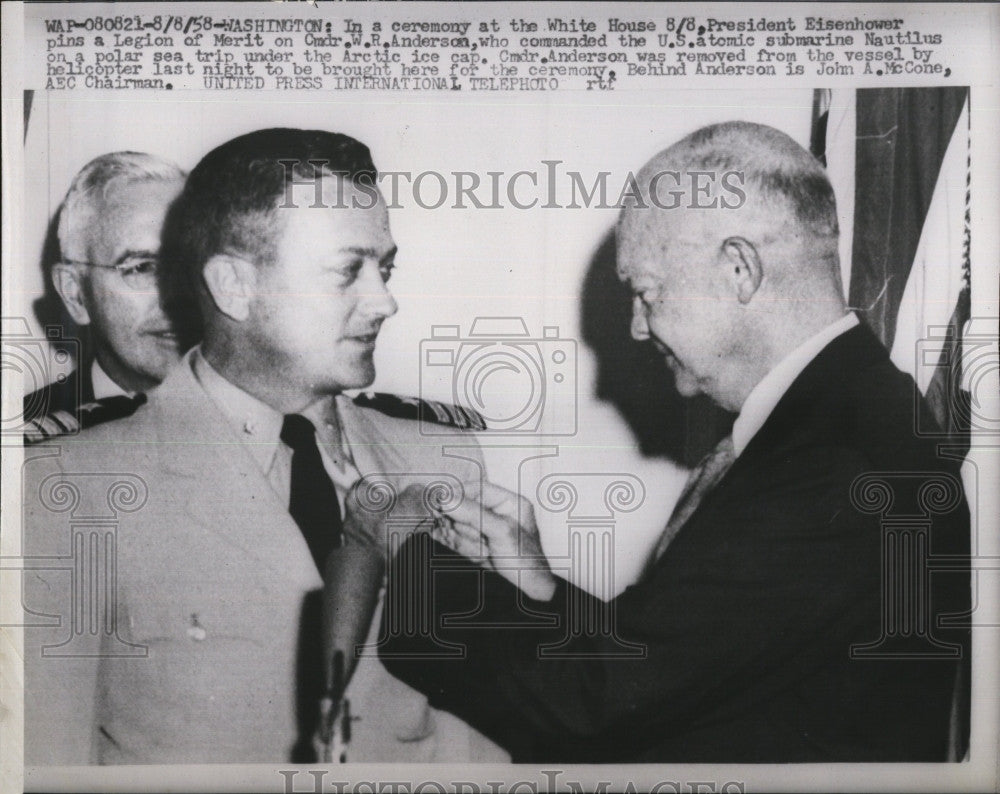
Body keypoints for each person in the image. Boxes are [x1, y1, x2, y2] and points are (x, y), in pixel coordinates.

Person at [378, 122, 972, 762]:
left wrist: (404, 560)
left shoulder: (832, 461)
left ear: (741, 269)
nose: (636, 327)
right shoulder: (847, 413)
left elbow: (596, 706)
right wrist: (539, 586)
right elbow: (678, 663)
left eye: (646, 292)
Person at [22, 128, 506, 764]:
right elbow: (48, 757)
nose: (386, 301)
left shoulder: (443, 460)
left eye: (384, 269)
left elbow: (481, 736)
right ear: (232, 287)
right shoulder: (70, 486)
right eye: (347, 271)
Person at [23, 152, 186, 443]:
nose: (177, 297)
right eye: (142, 268)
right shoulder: (19, 440)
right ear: (75, 294)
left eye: (193, 263)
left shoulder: (286, 442)